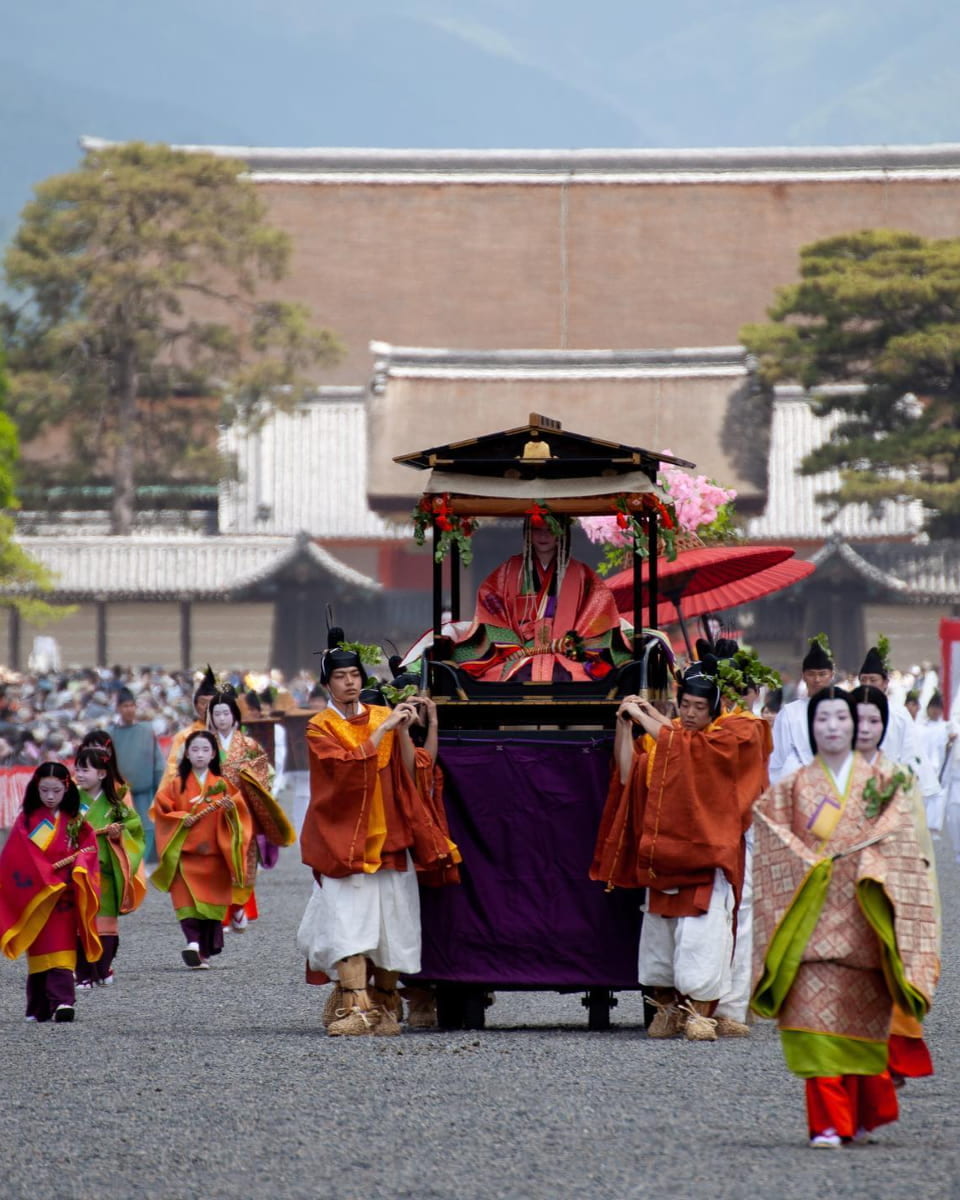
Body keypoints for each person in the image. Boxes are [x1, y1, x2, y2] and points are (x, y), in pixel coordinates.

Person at [752, 687, 938, 1148]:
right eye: (822, 719)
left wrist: (871, 867)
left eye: (840, 718)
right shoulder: (795, 785)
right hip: (809, 925)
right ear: (809, 727)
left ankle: (851, 1117)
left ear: (855, 726)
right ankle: (827, 1123)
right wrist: (807, 863)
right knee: (813, 1031)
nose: (832, 727)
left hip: (862, 924)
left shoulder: (883, 783)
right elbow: (769, 832)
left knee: (855, 1029)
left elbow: (904, 848)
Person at [591, 654, 770, 1041]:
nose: (689, 714)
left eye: (699, 707)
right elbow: (628, 773)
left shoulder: (727, 736)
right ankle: (668, 1009)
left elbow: (695, 754)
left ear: (716, 707)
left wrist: (646, 719)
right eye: (684, 705)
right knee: (660, 938)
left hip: (707, 853)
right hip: (664, 854)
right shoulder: (665, 737)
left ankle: (705, 1012)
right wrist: (625, 726)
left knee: (702, 936)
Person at [296, 631, 461, 1037]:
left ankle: (385, 1007)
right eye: (341, 676)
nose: (350, 682)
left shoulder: (377, 716)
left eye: (355, 675)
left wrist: (406, 728)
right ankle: (355, 1007)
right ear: (327, 684)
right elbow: (345, 772)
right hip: (345, 843)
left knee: (392, 928)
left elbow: (412, 770)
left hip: (390, 839)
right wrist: (384, 727)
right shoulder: (320, 727)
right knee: (347, 926)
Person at [850, 684, 939, 1089]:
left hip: (889, 897)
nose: (866, 728)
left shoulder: (901, 778)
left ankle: (882, 1069)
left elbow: (919, 850)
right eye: (859, 719)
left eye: (875, 720)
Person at [450, 515, 631, 682]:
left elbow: (599, 609)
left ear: (561, 533)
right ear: (527, 533)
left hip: (566, 653)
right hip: (519, 652)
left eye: (550, 530)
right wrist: (513, 648)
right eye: (537, 530)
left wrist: (576, 643)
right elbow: (491, 608)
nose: (543, 536)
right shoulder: (507, 573)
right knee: (513, 677)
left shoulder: (582, 575)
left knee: (574, 677)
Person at [0, 762, 101, 1022]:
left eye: (56, 791)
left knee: (62, 949)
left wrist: (79, 868)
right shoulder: (27, 819)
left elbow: (89, 848)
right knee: (40, 953)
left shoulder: (75, 821)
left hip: (64, 895)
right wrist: (44, 875)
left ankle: (63, 1002)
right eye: (44, 790)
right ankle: (38, 1006)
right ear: (36, 788)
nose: (50, 796)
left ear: (66, 789)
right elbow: (17, 856)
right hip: (38, 895)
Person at [150, 730, 255, 969]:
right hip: (185, 858)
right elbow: (162, 810)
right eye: (195, 749)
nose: (199, 754)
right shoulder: (176, 785)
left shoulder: (223, 785)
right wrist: (179, 818)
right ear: (186, 753)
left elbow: (241, 816)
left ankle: (203, 952)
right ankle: (193, 944)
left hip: (214, 858)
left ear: (213, 754)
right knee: (186, 906)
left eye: (205, 750)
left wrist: (230, 810)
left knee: (211, 911)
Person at [73, 745, 146, 988]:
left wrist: (119, 833)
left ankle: (102, 968)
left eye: (85, 770)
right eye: (77, 769)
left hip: (105, 873)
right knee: (80, 925)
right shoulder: (72, 801)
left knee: (105, 927)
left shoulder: (115, 804)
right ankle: (84, 973)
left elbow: (134, 826)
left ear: (102, 774)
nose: (79, 774)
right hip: (79, 873)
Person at [206, 685, 275, 933]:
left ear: (235, 715)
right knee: (217, 862)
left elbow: (263, 777)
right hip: (214, 811)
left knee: (243, 861)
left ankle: (238, 907)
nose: (222, 719)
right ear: (211, 717)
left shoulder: (249, 745)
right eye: (217, 714)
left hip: (243, 811)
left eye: (226, 713)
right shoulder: (206, 745)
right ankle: (221, 913)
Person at [768, 635, 835, 784]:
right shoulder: (789, 713)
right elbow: (778, 758)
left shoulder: (844, 710)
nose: (816, 680)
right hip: (799, 783)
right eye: (811, 674)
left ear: (831, 675)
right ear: (803, 676)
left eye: (822, 674)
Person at [110, 686, 166, 863]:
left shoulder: (147, 731)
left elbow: (158, 764)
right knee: (123, 830)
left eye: (132, 705)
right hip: (120, 796)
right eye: (125, 706)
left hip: (144, 793)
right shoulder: (111, 735)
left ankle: (140, 866)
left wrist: (160, 792)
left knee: (146, 829)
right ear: (119, 708)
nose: (129, 709)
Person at [858, 643, 922, 776]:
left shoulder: (899, 714)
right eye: (863, 680)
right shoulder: (850, 710)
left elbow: (909, 751)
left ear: (885, 683)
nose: (867, 685)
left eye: (873, 680)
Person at [162, 665, 218, 781]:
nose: (207, 707)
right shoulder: (183, 736)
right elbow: (172, 771)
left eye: (211, 703)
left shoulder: (229, 736)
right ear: (196, 706)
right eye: (203, 703)